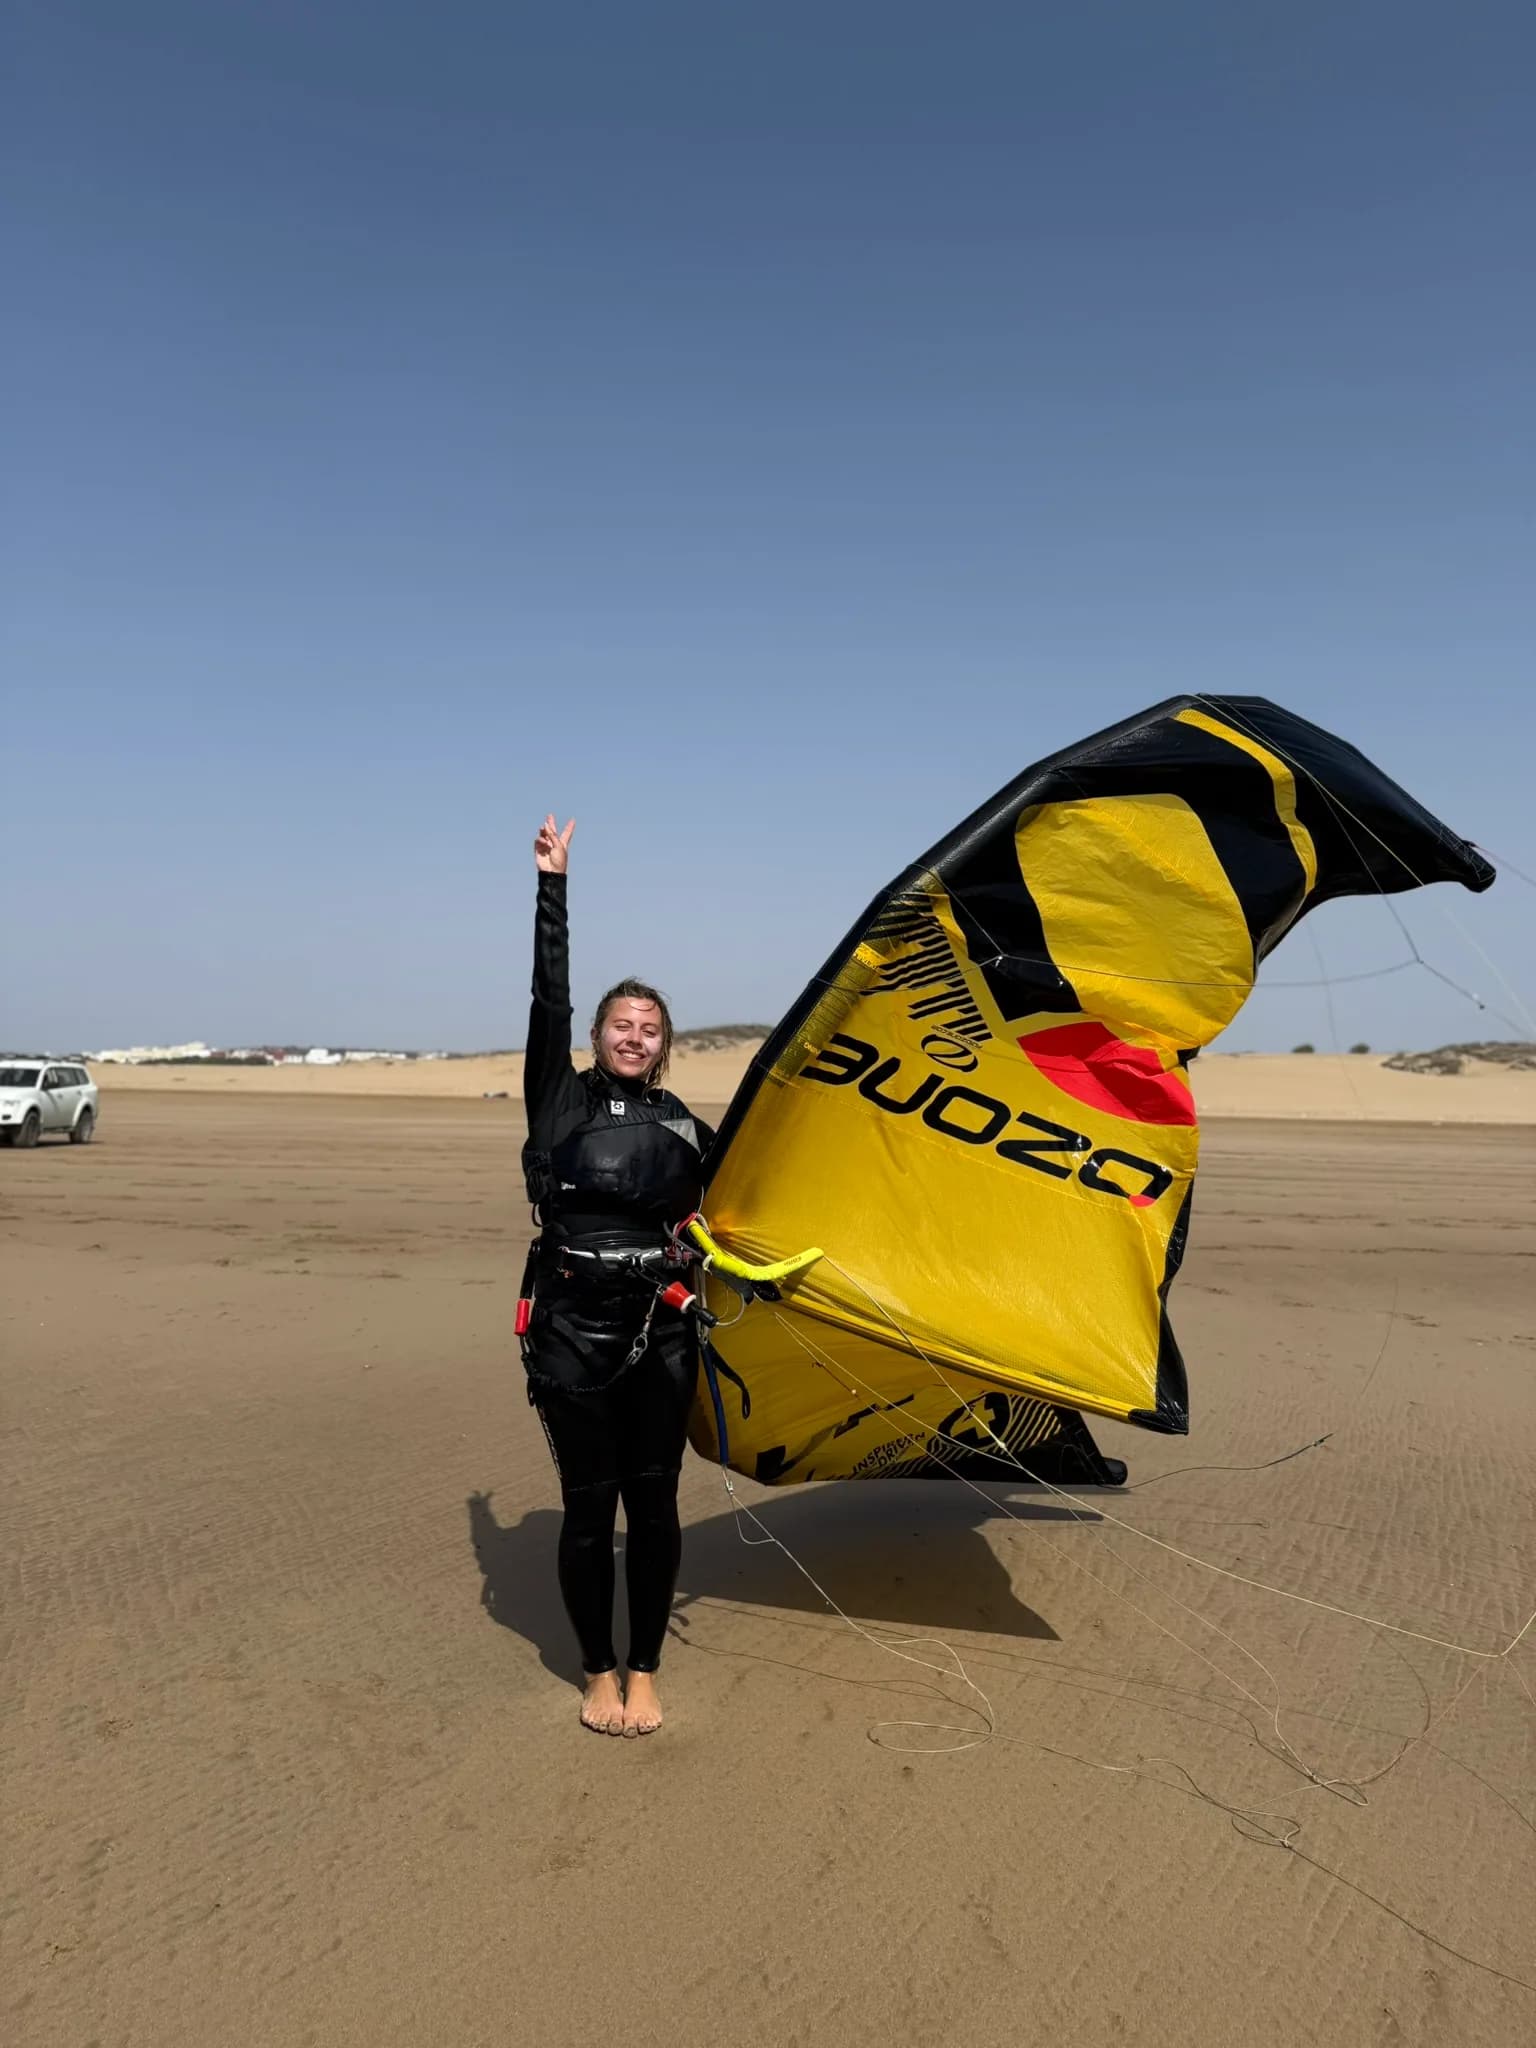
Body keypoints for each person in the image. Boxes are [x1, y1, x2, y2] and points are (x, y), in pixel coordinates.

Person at [519, 815, 714, 1736]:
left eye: (650, 1029)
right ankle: (597, 1670)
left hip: (663, 1331)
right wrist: (553, 887)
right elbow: (545, 998)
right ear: (596, 1035)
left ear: (664, 1046)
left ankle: (646, 1668)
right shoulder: (558, 1100)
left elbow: (745, 1208)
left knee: (658, 1502)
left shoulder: (684, 1125)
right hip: (569, 1332)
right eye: (621, 1024)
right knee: (590, 1508)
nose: (635, 1037)